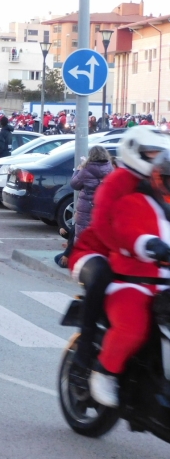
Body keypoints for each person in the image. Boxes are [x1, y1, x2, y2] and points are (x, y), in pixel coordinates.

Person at [69, 126, 170, 372]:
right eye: (150, 152)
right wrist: (138, 248)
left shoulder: (158, 180)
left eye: (160, 152)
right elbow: (105, 227)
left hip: (139, 258)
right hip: (96, 250)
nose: (156, 157)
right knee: (103, 276)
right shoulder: (118, 181)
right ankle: (85, 355)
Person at [88, 151, 170, 407]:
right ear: (156, 177)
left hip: (166, 287)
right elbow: (126, 230)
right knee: (133, 327)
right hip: (134, 282)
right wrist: (148, 243)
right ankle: (104, 372)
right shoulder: (134, 201)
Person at [70, 146, 113, 241]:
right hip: (104, 205)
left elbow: (74, 184)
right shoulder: (110, 168)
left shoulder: (86, 169)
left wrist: (77, 171)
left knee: (83, 234)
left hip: (87, 206)